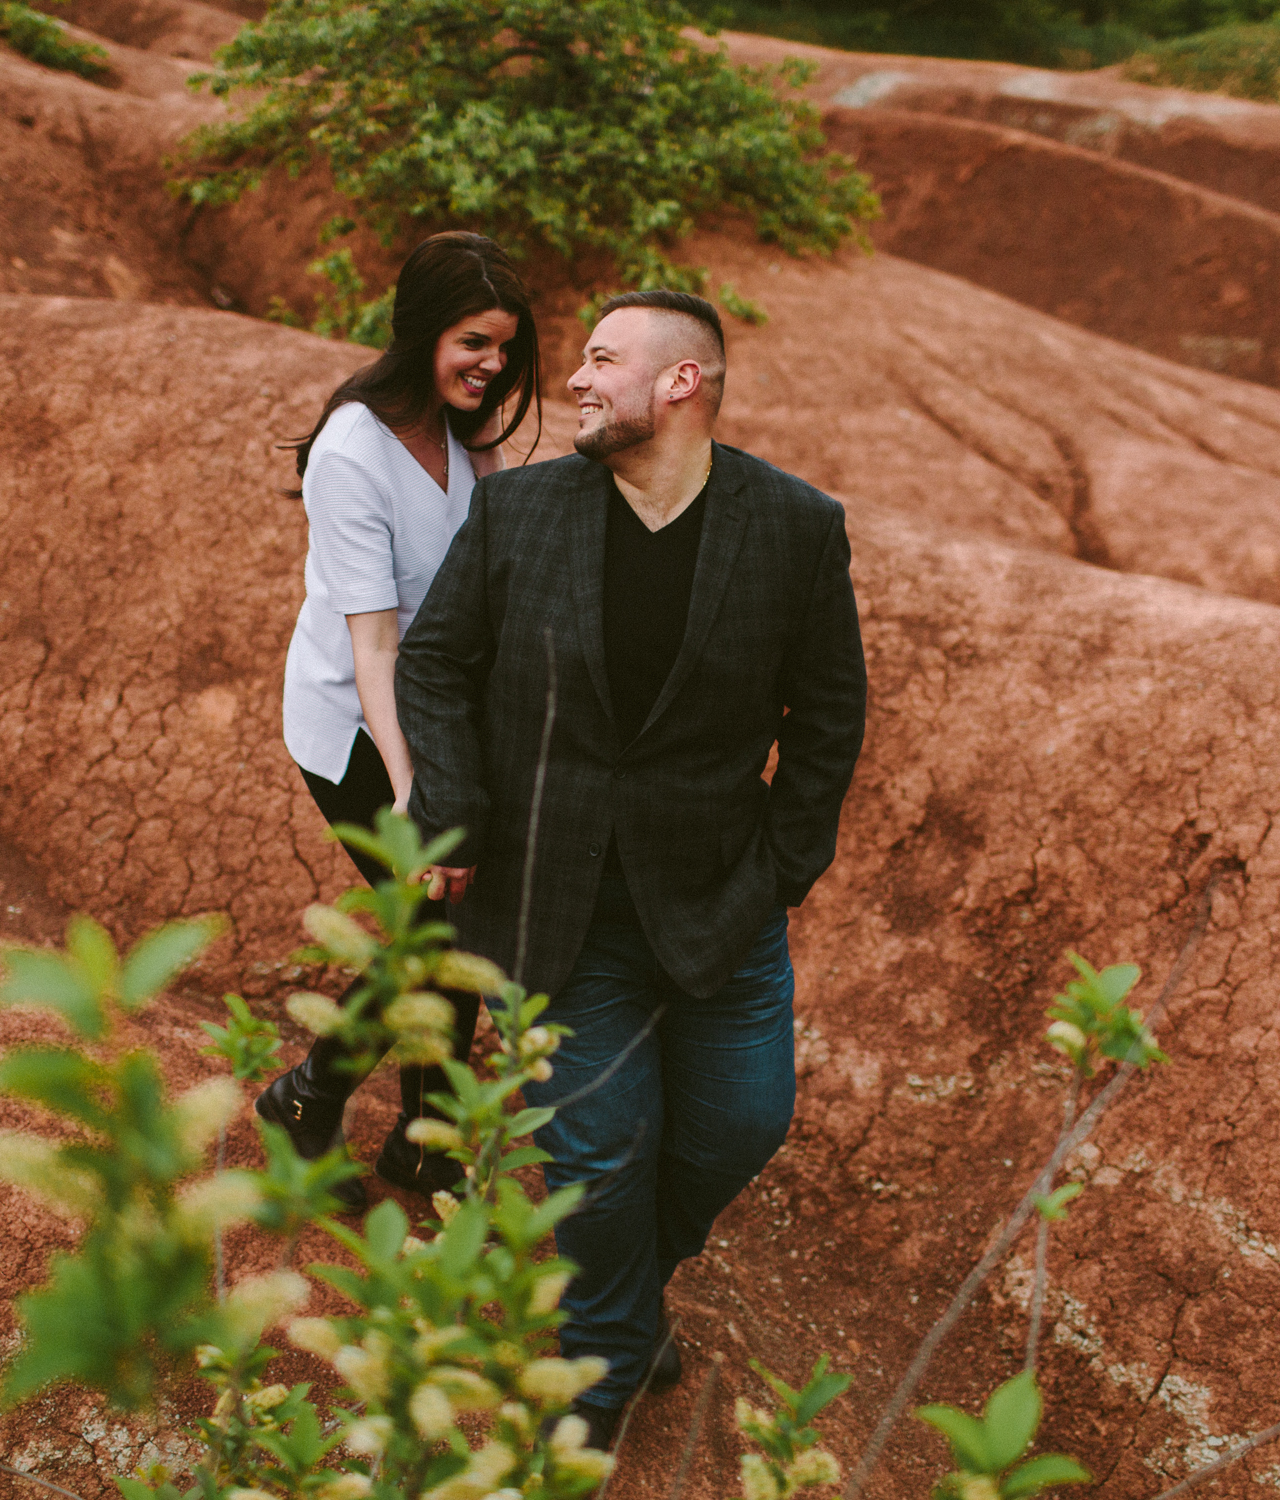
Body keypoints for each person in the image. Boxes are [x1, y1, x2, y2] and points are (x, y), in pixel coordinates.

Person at [396, 290, 868, 1448]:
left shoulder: (796, 525)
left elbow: (829, 713)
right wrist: (450, 809)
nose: (577, 381)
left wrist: (784, 866)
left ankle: (623, 1288)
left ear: (681, 384)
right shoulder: (519, 514)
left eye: (604, 360)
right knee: (600, 1154)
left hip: (723, 903)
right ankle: (599, 1380)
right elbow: (435, 666)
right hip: (558, 907)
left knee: (737, 1129)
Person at [263, 231, 542, 1212]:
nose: (493, 365)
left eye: (506, 347)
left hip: (443, 712)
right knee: (427, 927)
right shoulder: (353, 452)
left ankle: (423, 1150)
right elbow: (374, 648)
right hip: (356, 724)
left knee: (451, 926)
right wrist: (417, 795)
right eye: (474, 342)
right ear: (423, 331)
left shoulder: (470, 431)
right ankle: (308, 1099)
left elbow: (504, 552)